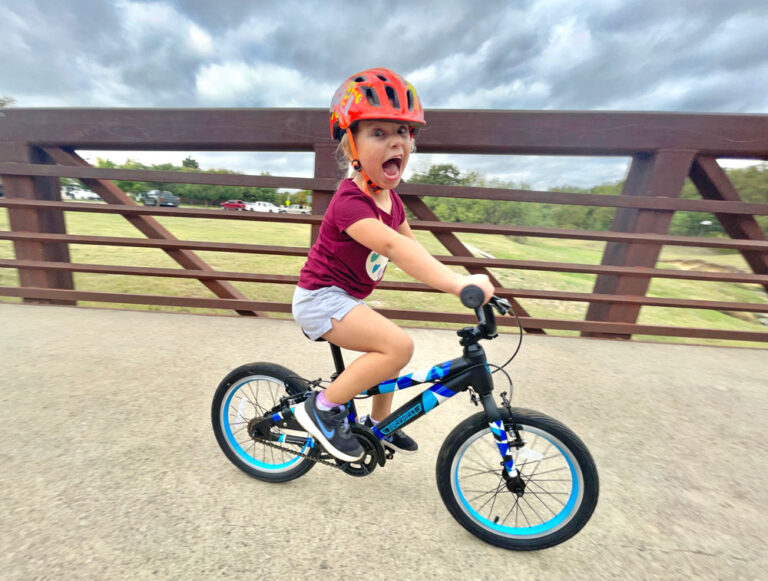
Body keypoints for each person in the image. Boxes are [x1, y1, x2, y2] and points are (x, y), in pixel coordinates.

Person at [292, 67, 494, 462]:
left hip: (346, 298)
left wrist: (459, 288)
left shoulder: (392, 200)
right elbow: (394, 248)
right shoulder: (350, 202)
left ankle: (378, 427)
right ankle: (323, 408)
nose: (395, 142)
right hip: (320, 299)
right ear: (351, 147)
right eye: (378, 133)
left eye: (402, 132)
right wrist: (458, 283)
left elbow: (414, 250)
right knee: (397, 347)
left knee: (390, 354)